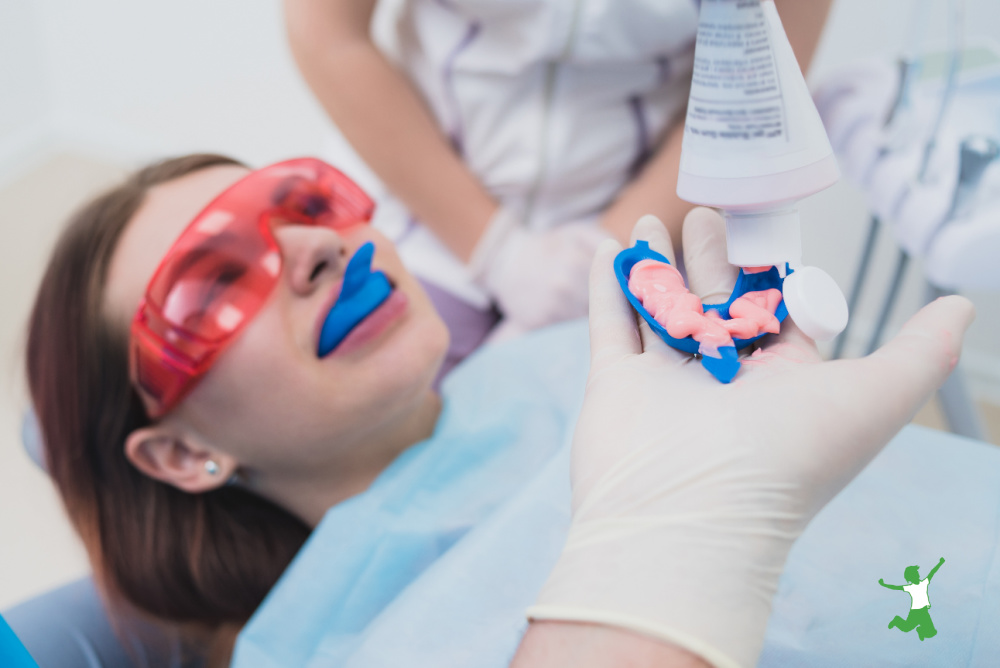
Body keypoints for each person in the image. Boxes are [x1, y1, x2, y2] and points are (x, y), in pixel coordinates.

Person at [11, 154, 972, 668]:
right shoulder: (326, 651)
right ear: (182, 455)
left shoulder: (582, 359)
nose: (317, 245)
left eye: (303, 200)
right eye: (214, 284)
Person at [284, 0, 836, 369]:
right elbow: (327, 35)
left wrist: (608, 258)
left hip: (645, 223)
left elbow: (766, 60)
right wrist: (497, 250)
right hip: (425, 216)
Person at [879, 558, 946, 641]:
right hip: (915, 613)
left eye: (917, 573)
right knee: (906, 628)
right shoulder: (910, 587)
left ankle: (920, 630)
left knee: (932, 632)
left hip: (924, 612)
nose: (917, 574)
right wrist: (884, 584)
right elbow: (895, 587)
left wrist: (940, 563)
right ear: (910, 577)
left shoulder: (924, 583)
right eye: (915, 573)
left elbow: (932, 572)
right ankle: (896, 620)